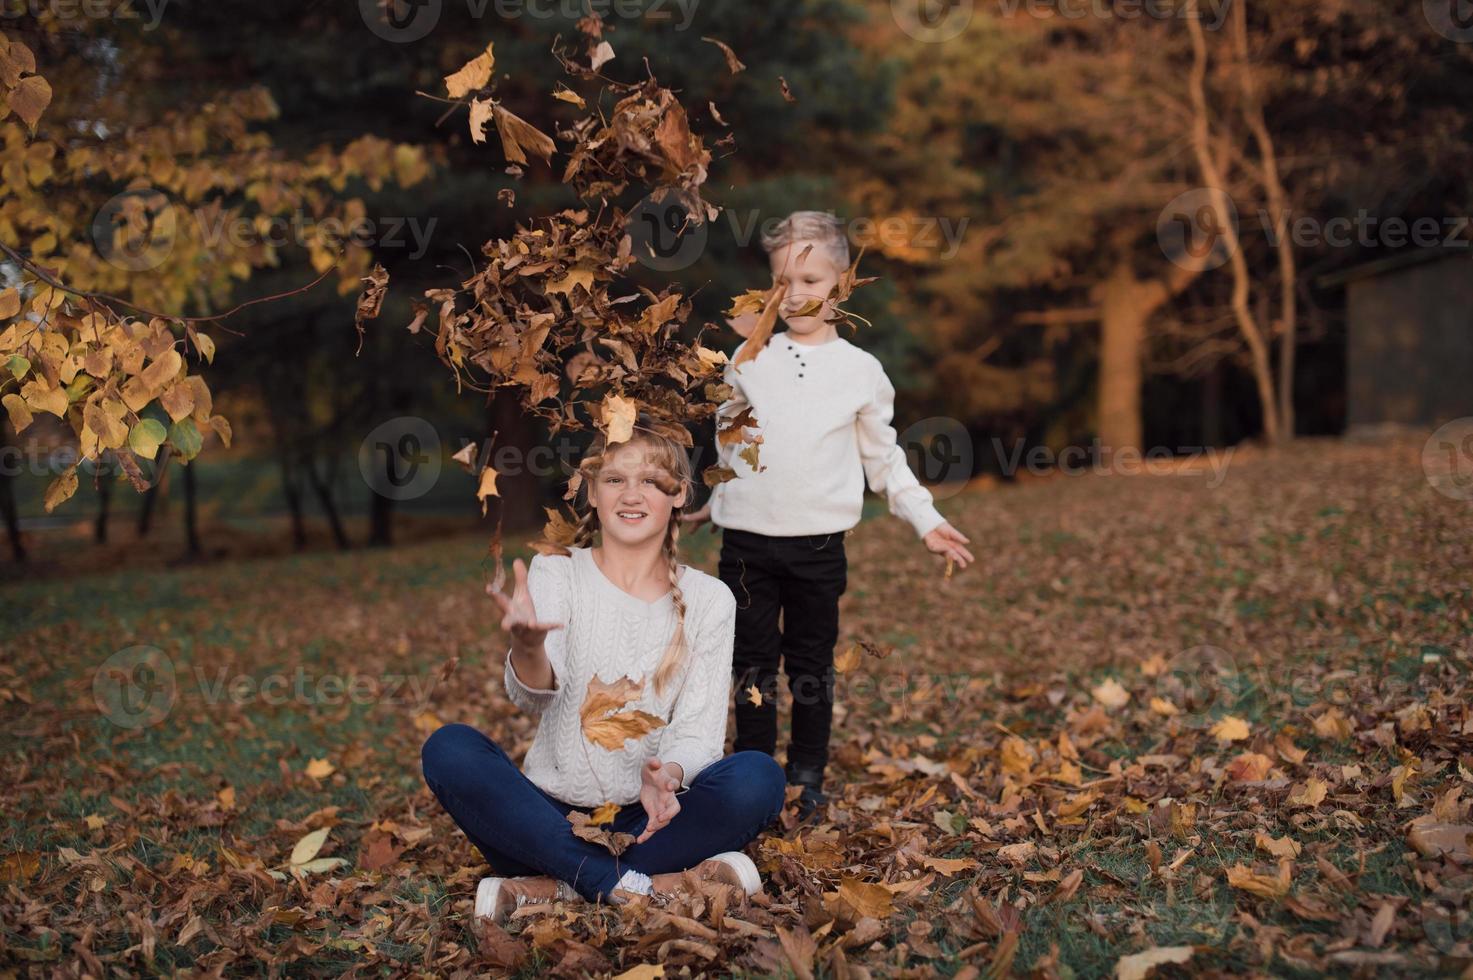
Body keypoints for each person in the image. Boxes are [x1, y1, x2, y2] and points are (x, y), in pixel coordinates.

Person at [421, 417, 787, 925]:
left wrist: (669, 776)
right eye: (615, 479)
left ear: (679, 494)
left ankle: (554, 887)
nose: (631, 495)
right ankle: (641, 886)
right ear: (592, 491)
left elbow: (700, 733)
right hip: (546, 818)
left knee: (758, 777)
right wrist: (527, 649)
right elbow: (536, 697)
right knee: (449, 748)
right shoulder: (558, 571)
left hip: (649, 823)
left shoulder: (710, 599)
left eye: (651, 481)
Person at [683, 210, 975, 819]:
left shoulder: (860, 372)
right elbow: (733, 443)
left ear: (843, 282)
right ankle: (754, 775)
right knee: (753, 664)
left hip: (817, 547)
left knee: (811, 664)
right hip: (745, 545)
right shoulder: (747, 357)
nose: (796, 295)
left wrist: (926, 520)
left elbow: (884, 460)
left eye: (812, 280)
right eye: (783, 282)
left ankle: (807, 773)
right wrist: (717, 501)